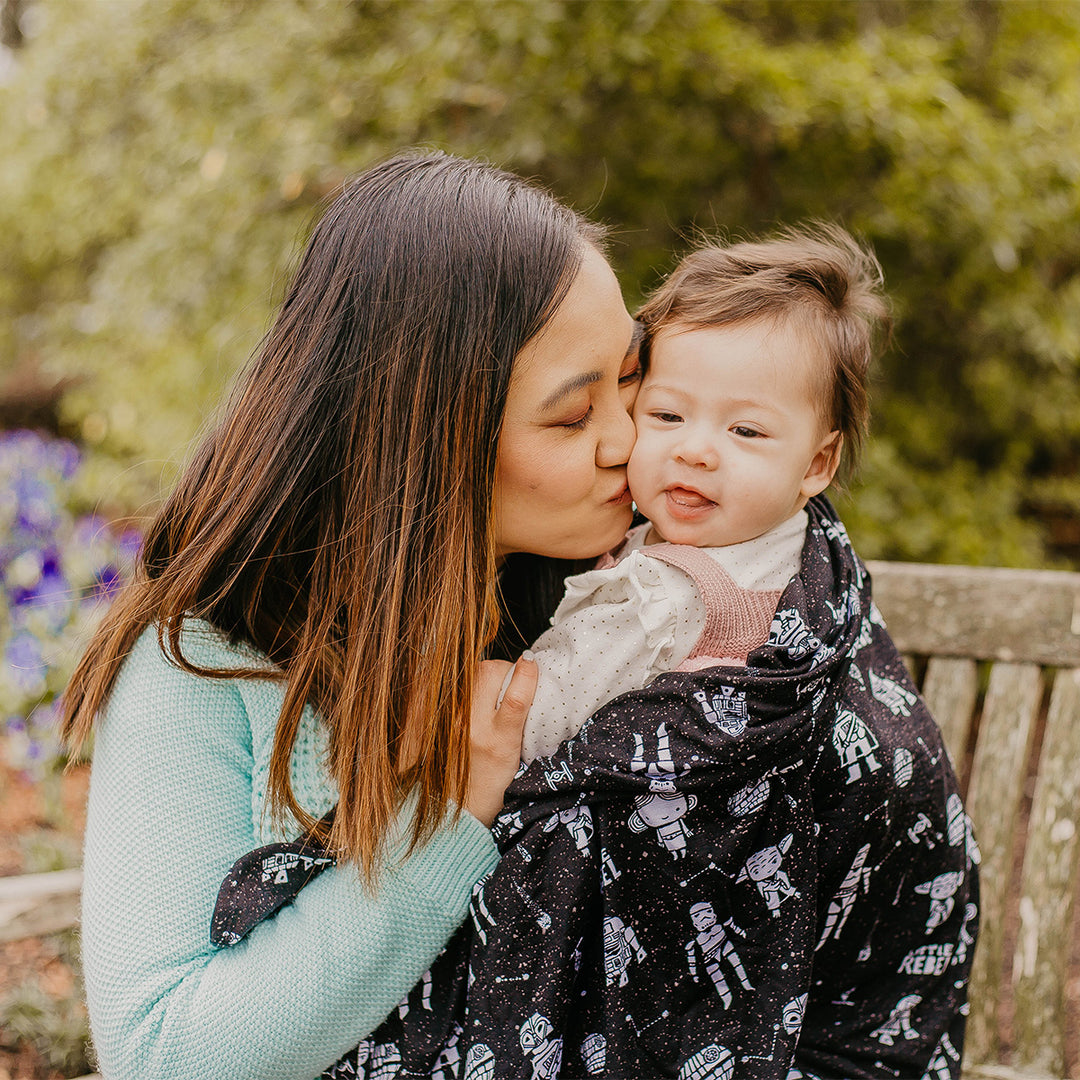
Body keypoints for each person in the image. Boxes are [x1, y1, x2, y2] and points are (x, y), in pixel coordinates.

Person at [293, 228, 978, 1079]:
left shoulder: (669, 592)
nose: (695, 447)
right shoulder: (786, 549)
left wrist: (468, 697)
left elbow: (542, 710)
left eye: (747, 432)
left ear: (819, 463)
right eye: (666, 414)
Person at [60, 150, 642, 1080]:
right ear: (425, 430)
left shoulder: (633, 604)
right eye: (573, 417)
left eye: (632, 378)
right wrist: (448, 820)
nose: (630, 438)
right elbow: (162, 1053)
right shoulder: (204, 668)